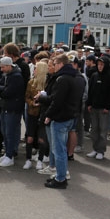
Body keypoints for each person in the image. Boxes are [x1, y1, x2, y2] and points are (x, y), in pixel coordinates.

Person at [37, 53, 82, 189]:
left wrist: (48, 115)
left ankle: (61, 178)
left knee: (59, 150)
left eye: (55, 63)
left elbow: (57, 101)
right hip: (67, 116)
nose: (53, 66)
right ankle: (59, 175)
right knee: (60, 149)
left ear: (61, 64)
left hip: (61, 118)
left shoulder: (62, 79)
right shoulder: (72, 77)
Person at [0, 57, 25, 167]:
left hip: (13, 108)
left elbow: (8, 92)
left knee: (10, 132)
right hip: (5, 106)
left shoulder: (16, 77)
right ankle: (8, 153)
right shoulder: (7, 75)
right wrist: (3, 89)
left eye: (3, 67)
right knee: (4, 131)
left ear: (9, 66)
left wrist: (1, 90)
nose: (1, 69)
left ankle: (10, 156)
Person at [24, 60, 49, 169]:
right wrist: (31, 103)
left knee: (41, 138)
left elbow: (51, 99)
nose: (33, 70)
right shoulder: (31, 82)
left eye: (36, 69)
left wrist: (42, 101)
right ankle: (28, 160)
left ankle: (40, 160)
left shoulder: (48, 83)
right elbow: (26, 97)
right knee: (30, 137)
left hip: (43, 114)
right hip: (32, 112)